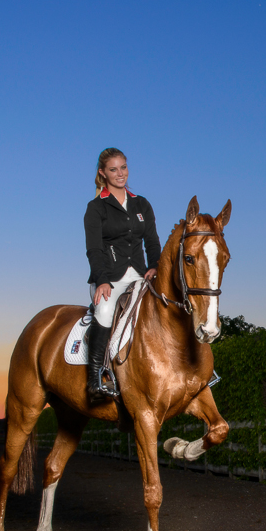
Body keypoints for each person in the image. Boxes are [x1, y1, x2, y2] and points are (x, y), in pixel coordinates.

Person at [83, 148, 161, 399]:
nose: (120, 174)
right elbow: (94, 249)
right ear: (103, 173)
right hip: (109, 277)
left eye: (124, 167)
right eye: (114, 169)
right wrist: (102, 280)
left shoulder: (141, 203)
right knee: (105, 310)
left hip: (139, 274)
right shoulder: (96, 208)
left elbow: (151, 240)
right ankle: (95, 379)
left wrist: (156, 265)